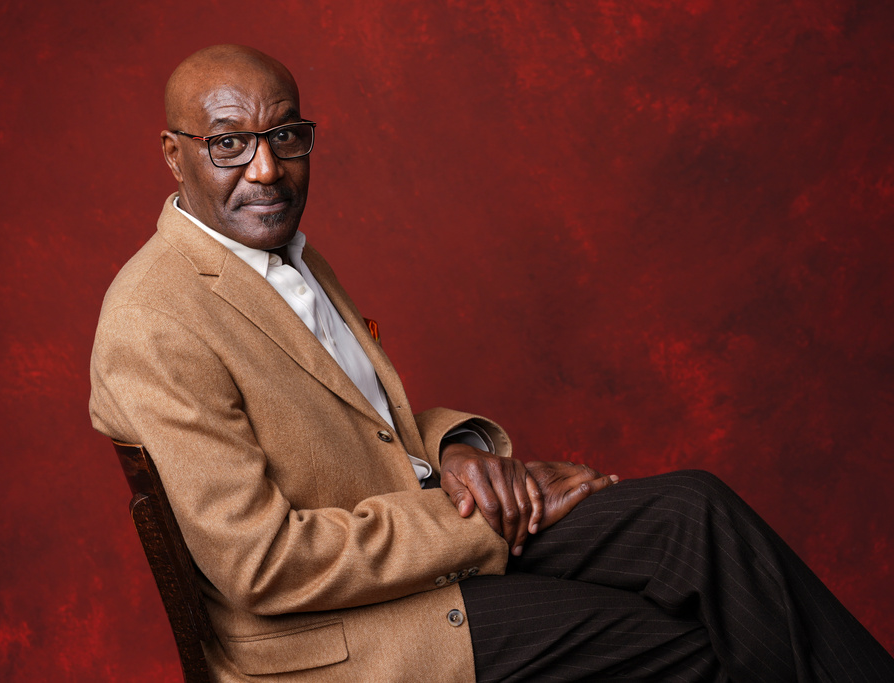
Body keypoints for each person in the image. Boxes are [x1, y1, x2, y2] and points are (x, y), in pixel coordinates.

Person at [89, 44, 894, 682]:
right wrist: (473, 519)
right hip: (336, 639)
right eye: (229, 143)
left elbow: (357, 425)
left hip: (414, 541)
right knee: (685, 644)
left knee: (695, 512)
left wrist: (457, 454)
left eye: (285, 138)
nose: (265, 169)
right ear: (174, 154)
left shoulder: (283, 254)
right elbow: (263, 566)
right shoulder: (154, 318)